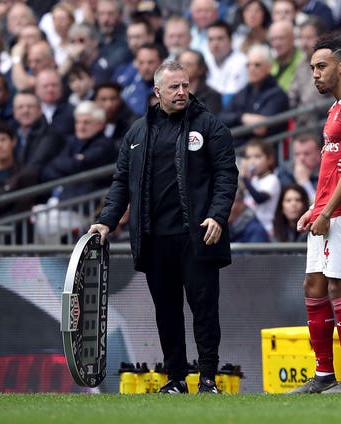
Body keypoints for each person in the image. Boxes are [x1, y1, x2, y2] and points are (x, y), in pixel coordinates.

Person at [87, 60, 238, 394]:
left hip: (197, 235)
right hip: (155, 238)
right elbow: (121, 182)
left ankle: (209, 379)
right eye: (174, 87)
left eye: (186, 85)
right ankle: (176, 379)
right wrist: (105, 221)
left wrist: (217, 214)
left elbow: (227, 175)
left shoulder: (210, 126)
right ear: (157, 92)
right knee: (166, 312)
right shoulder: (138, 132)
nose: (182, 92)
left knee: (204, 310)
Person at [287, 36, 341, 395]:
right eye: (311, 69)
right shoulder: (337, 107)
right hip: (327, 209)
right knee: (313, 285)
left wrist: (329, 210)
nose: (315, 75)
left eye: (320, 67)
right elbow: (332, 167)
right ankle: (324, 374)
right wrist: (315, 207)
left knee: (339, 286)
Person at [239, 138, 281, 235]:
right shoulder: (253, 179)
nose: (252, 161)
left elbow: (259, 198)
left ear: (269, 159)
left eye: (257, 157)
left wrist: (244, 178)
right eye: (248, 157)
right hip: (248, 226)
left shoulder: (272, 179)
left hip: (265, 229)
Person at [276, 132, 322, 201]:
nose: (301, 158)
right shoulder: (285, 171)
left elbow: (320, 206)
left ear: (319, 153)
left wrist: (305, 183)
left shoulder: (327, 172)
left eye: (306, 154)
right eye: (297, 154)